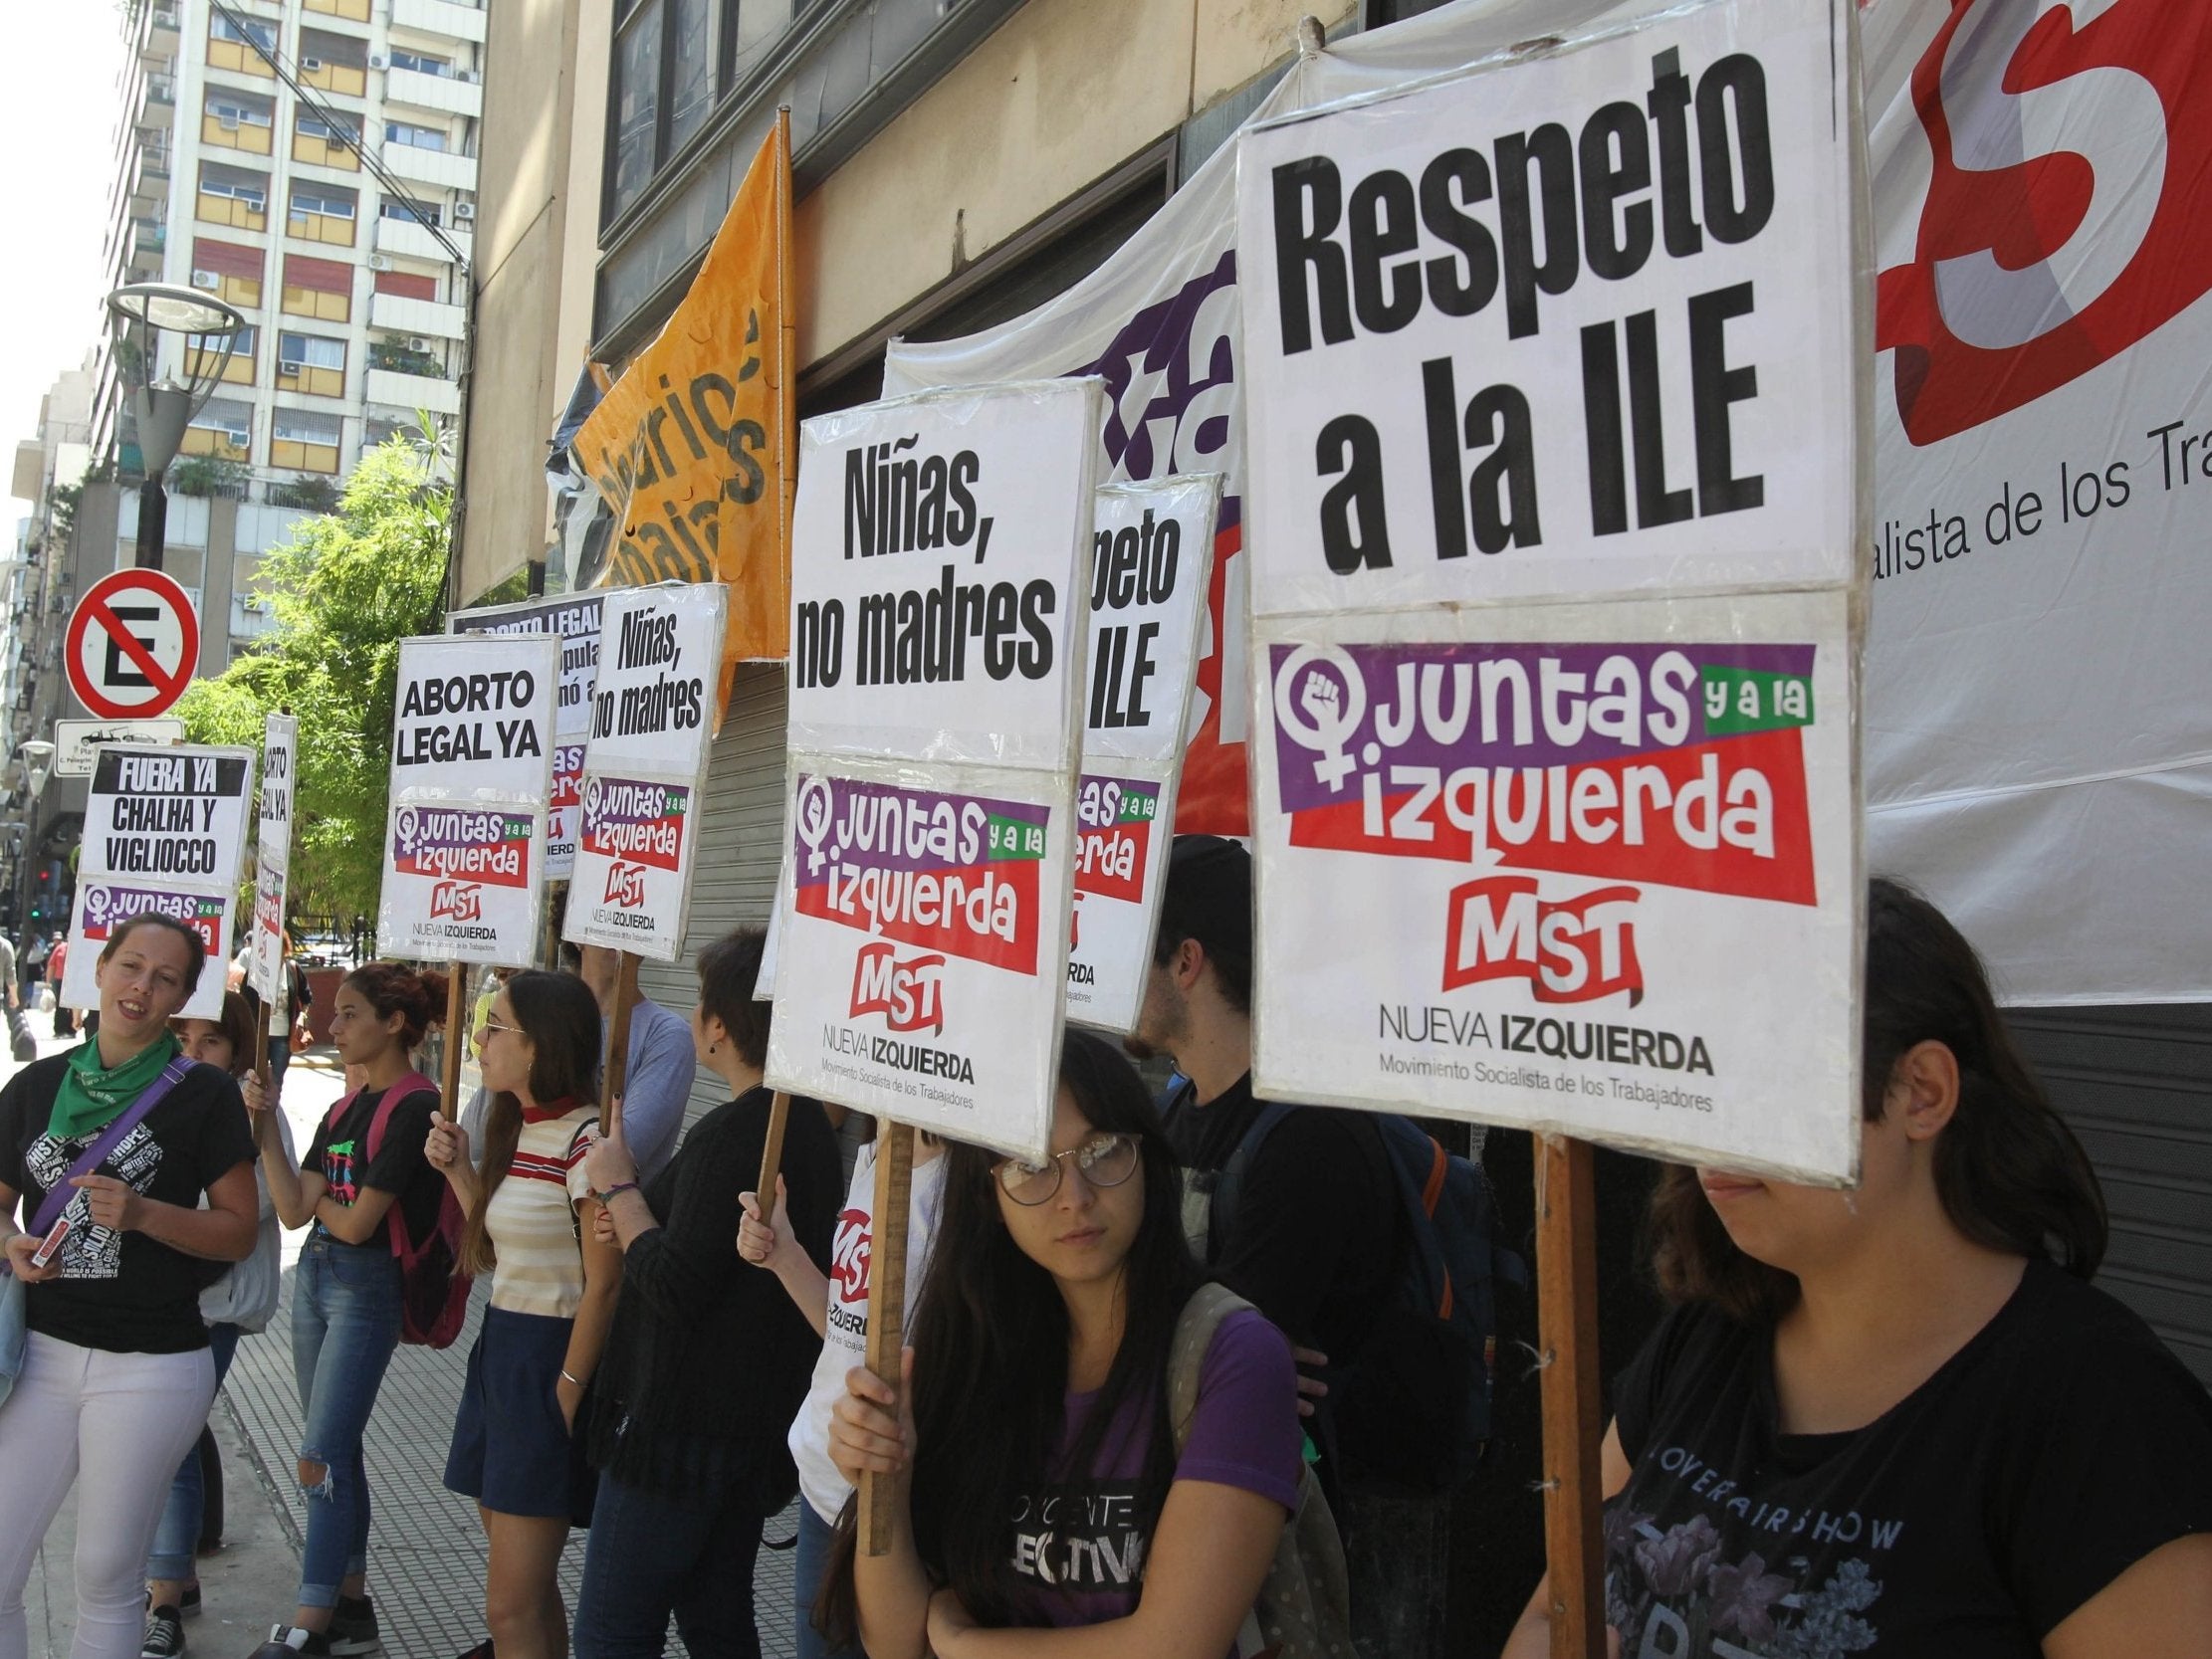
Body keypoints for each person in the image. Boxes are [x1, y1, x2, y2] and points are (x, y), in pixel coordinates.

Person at [1504, 879, 2212, 1657]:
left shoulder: (2097, 1413)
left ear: (1922, 1091)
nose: (1708, 1128)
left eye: (1763, 1073)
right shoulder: (1704, 1340)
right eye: (1692, 1073)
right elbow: (1550, 1612)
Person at [821, 1029, 1314, 1659]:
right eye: (1030, 1164)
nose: (1074, 1198)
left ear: (1147, 1156)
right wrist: (886, 1472)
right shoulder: (974, 1352)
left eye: (1102, 1150)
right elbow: (894, 1641)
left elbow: (1174, 1646)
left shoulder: (1233, 1356)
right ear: (989, 1193)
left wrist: (964, 1645)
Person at [1127, 835, 1424, 1652]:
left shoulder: (1310, 1136)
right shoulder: (1180, 1107)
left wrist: (1192, 1357)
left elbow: (1207, 1363)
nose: (1113, 979)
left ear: (1187, 962)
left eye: (1131, 954)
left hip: (1296, 1542)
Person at [572, 927, 839, 1659]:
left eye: (699, 1003)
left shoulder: (740, 1132)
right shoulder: (808, 1128)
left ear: (719, 1025)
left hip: (678, 1439)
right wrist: (630, 1216)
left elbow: (675, 1283)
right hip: (743, 1437)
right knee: (717, 1622)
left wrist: (621, 1186)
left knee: (611, 1634)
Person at [0, 915, 259, 1659]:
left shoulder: (204, 1094)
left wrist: (146, 1213)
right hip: (37, 1357)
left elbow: (240, 1230)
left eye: (165, 977)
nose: (142, 986)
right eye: (131, 965)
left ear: (181, 996)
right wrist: (11, 1245)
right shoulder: (36, 1084)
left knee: (107, 1574)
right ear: (100, 966)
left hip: (151, 1363)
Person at [250, 962, 450, 1659]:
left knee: (320, 1454)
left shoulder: (415, 1104)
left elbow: (360, 1223)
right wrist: (264, 1125)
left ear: (394, 1022)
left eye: (349, 1013)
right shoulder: (342, 1108)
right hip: (317, 1277)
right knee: (335, 1448)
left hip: (367, 1287)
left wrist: (325, 1209)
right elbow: (292, 1206)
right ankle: (352, 1604)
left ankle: (312, 1617)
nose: (331, 1027)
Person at [425, 970, 623, 1659]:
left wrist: (568, 1389)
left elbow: (605, 1285)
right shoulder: (519, 1125)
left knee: (508, 1607)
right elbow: (492, 1247)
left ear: (538, 1045)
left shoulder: (587, 1141)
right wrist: (457, 1170)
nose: (480, 1038)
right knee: (529, 1595)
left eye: (495, 1024)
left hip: (548, 1356)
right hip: (501, 1346)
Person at [739, 1128, 950, 1659]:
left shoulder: (966, 1181)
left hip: (900, 1501)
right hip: (823, 1485)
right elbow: (847, 1329)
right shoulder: (878, 1148)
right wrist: (784, 1255)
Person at [140, 991, 300, 1659]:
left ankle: (163, 1601)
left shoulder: (253, 1109)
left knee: (168, 1440)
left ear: (238, 1047)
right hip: (153, 1298)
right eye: (183, 1038)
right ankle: (177, 1575)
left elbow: (254, 1206)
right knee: (172, 1431)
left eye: (210, 1040)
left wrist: (158, 1211)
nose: (193, 1053)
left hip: (216, 1301)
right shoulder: (155, 1095)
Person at [573, 943, 698, 1180]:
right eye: (606, 911)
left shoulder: (667, 1034)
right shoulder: (543, 1017)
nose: (621, 924)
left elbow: (623, 1152)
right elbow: (485, 1132)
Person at [49, 934, 76, 1040]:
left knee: (73, 1006)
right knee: (60, 1007)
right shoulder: (60, 948)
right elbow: (51, 965)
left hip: (73, 980)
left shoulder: (77, 950)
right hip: (60, 980)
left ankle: (71, 1030)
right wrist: (48, 982)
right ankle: (59, 1030)